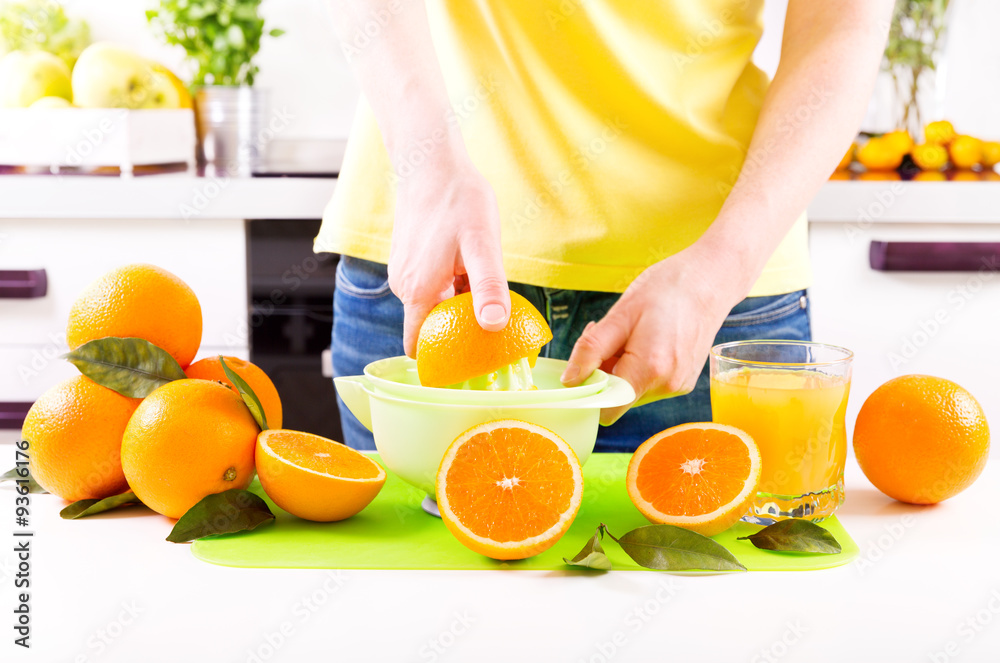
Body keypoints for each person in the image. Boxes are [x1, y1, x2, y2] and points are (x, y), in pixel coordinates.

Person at [319, 0, 893, 452]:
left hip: (707, 297)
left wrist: (722, 268)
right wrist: (428, 165)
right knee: (411, 592)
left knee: (722, 601)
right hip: (439, 270)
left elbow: (842, 27)